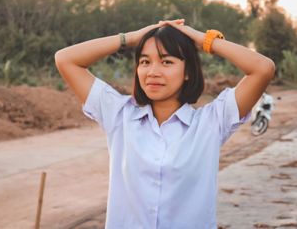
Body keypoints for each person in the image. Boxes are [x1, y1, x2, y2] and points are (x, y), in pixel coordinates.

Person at [54, 19, 275, 229]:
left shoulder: (212, 122)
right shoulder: (119, 116)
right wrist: (133, 38)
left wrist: (201, 39)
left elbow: (263, 68)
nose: (153, 72)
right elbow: (65, 59)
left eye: (167, 61)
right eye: (145, 61)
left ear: (188, 71)